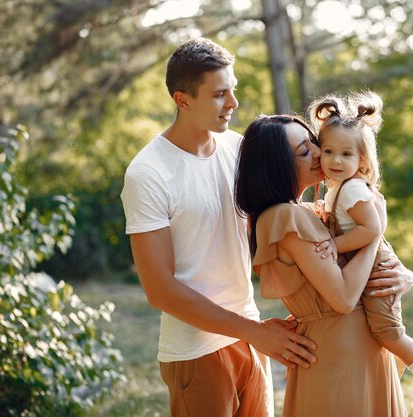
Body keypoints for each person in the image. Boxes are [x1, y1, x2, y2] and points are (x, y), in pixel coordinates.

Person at [120, 38, 321, 417]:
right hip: (197, 351)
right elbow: (160, 291)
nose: (233, 103)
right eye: (219, 94)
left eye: (233, 90)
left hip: (250, 339)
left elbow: (287, 206)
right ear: (183, 100)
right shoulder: (148, 173)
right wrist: (255, 332)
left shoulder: (238, 148)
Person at [234, 114, 413, 417]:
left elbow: (356, 268)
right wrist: (375, 234)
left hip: (351, 347)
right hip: (340, 356)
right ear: (277, 165)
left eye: (315, 144)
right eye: (306, 151)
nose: (320, 153)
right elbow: (344, 298)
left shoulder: (310, 212)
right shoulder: (288, 217)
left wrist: (403, 275)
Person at [308, 91, 413, 417]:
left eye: (346, 154)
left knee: (388, 332)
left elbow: (371, 230)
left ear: (362, 160)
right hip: (365, 264)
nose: (335, 160)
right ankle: (387, 389)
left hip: (376, 266)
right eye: (329, 151)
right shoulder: (336, 190)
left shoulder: (354, 189)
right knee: (375, 333)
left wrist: (334, 245)